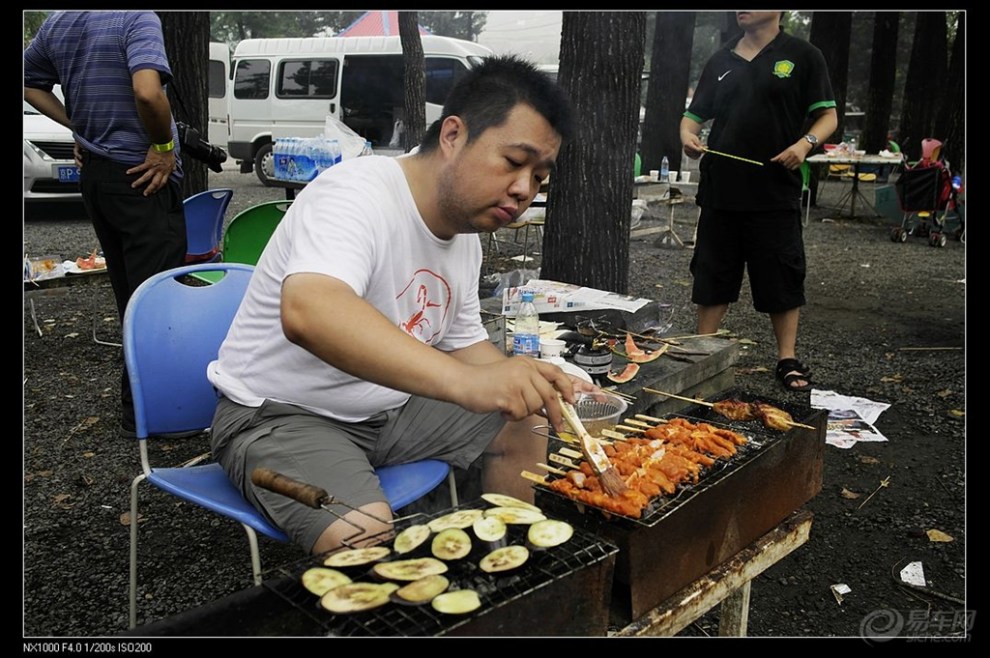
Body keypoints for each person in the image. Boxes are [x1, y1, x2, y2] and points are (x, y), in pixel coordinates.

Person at [206, 55, 588, 555]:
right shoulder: (355, 193)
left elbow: (465, 343)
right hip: (281, 413)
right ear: (453, 135)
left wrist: (526, 377)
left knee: (526, 413)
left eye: (540, 177)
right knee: (362, 533)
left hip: (387, 408)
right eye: (515, 163)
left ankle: (514, 565)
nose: (524, 190)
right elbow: (309, 311)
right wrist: (466, 382)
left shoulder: (465, 234)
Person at [24, 11, 189, 435]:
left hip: (98, 176)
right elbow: (148, 93)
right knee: (155, 297)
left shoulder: (59, 21)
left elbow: (29, 82)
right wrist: (163, 146)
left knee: (129, 293)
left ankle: (141, 408)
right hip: (142, 175)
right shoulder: (136, 18)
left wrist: (80, 127)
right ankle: (154, 416)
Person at [680, 10, 837, 393]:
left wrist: (805, 145)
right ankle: (705, 353)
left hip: (774, 190)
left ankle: (786, 358)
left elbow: (827, 117)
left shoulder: (803, 55)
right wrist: (687, 135)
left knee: (781, 274)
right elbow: (693, 116)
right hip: (721, 190)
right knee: (713, 272)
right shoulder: (721, 60)